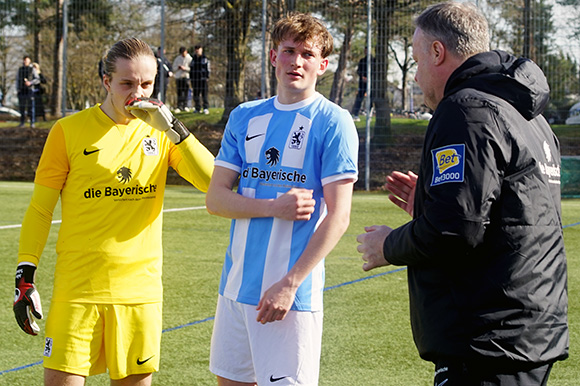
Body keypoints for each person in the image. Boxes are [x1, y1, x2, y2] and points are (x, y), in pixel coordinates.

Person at [356, 2, 568, 385]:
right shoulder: (528, 116)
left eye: (417, 61)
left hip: (488, 343)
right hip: (526, 331)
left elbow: (456, 228)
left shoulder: (465, 109)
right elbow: (513, 212)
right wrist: (432, 200)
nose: (416, 77)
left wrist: (387, 245)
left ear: (438, 52)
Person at [13, 37, 215, 386]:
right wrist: (25, 274)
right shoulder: (67, 132)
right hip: (78, 291)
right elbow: (40, 209)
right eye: (127, 83)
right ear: (107, 82)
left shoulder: (162, 132)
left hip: (139, 293)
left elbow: (212, 183)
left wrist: (174, 128)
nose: (138, 92)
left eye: (147, 84)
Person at [205, 12, 359, 386]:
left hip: (290, 299)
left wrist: (290, 284)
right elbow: (216, 199)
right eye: (289, 51)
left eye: (307, 54)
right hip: (236, 290)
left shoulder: (333, 122)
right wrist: (273, 208)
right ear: (274, 56)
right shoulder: (244, 116)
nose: (297, 62)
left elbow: (338, 217)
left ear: (322, 65)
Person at [351, 47, 374, 122]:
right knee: (359, 98)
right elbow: (358, 71)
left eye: (367, 50)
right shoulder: (362, 61)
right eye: (365, 50)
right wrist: (363, 77)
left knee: (371, 98)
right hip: (362, 83)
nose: (366, 52)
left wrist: (370, 78)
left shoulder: (374, 60)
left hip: (371, 83)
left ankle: (369, 114)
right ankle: (356, 115)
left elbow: (375, 71)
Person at [16, 55, 38, 127]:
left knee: (31, 107)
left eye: (27, 60)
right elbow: (17, 80)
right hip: (22, 91)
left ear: (29, 61)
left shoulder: (32, 69)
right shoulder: (20, 70)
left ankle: (32, 122)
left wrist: (30, 83)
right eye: (24, 60)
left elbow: (37, 79)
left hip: (30, 90)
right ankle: (22, 122)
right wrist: (18, 89)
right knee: (22, 107)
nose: (25, 62)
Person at [189, 44, 210, 114]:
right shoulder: (193, 59)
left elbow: (207, 69)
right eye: (196, 49)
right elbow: (191, 69)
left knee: (204, 94)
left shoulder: (204, 58)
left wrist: (206, 77)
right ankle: (197, 108)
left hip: (203, 79)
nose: (197, 51)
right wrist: (191, 78)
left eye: (198, 49)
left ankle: (205, 108)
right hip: (195, 80)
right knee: (196, 94)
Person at [172, 46, 192, 112]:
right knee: (179, 92)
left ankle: (185, 106)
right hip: (179, 77)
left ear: (186, 52)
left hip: (186, 77)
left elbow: (192, 69)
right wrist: (178, 67)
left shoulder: (190, 59)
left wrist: (185, 68)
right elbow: (173, 68)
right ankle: (179, 106)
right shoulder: (177, 59)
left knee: (186, 92)